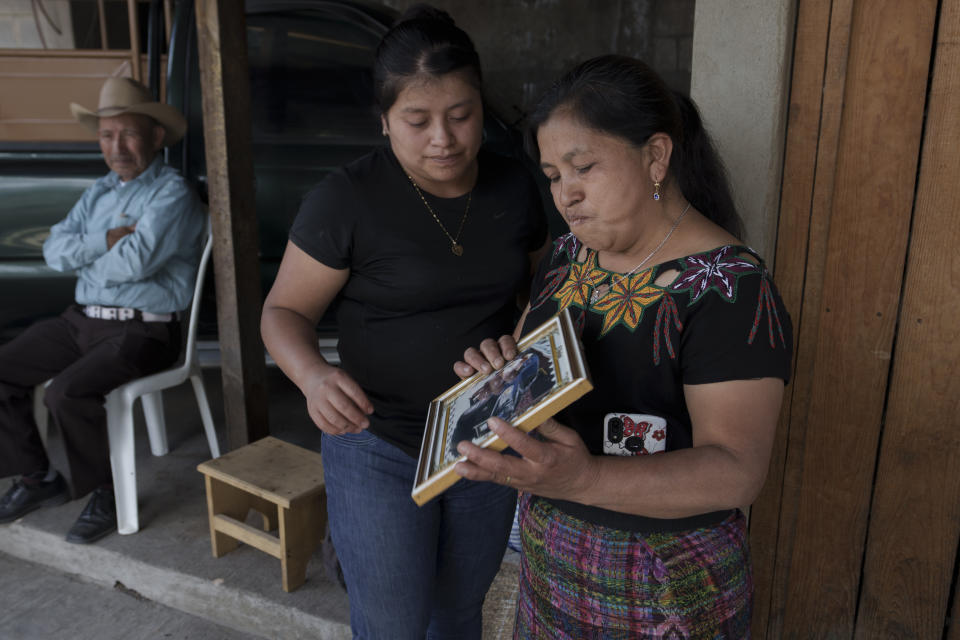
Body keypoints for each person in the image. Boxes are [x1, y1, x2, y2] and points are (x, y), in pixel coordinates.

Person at [453, 55, 793, 638]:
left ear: (656, 156)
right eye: (554, 175)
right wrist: (505, 375)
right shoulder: (567, 255)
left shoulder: (729, 288)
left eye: (584, 167)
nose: (566, 195)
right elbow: (552, 377)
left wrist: (583, 480)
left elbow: (736, 471)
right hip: (551, 553)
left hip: (664, 579)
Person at [260, 5, 547, 639]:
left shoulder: (514, 187)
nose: (442, 138)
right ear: (385, 120)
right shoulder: (347, 200)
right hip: (377, 442)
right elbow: (283, 311)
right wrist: (311, 377)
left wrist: (527, 327)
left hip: (485, 437)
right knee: (391, 623)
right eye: (417, 121)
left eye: (461, 115)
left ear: (480, 105)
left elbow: (542, 291)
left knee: (457, 614)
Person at [0, 77, 206, 544]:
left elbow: (136, 263)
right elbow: (53, 250)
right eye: (107, 135)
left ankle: (106, 495)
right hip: (83, 319)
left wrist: (90, 258)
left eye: (128, 133)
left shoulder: (171, 193)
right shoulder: (99, 192)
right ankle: (37, 479)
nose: (117, 146)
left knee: (66, 394)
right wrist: (106, 240)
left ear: (155, 136)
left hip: (144, 331)